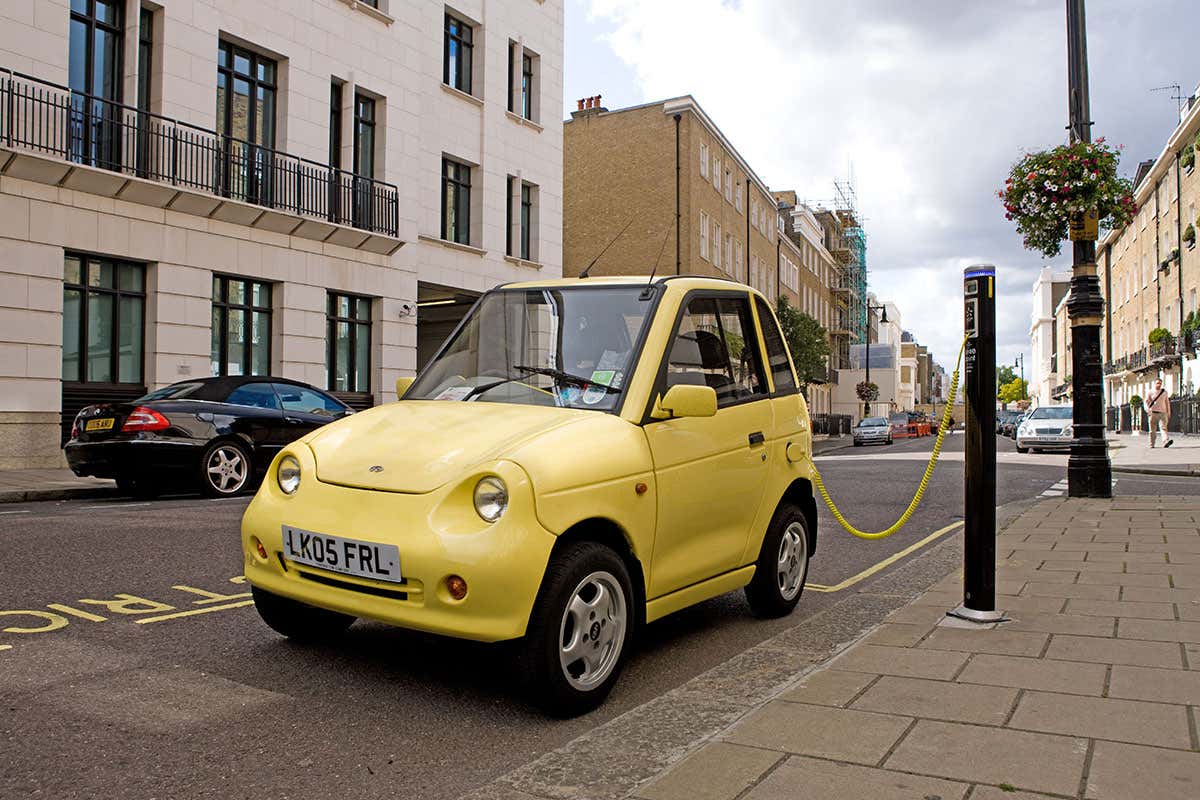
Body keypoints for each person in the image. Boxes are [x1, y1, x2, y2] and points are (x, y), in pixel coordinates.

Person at [1146, 378, 1174, 448]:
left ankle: (1166, 441)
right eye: (1157, 383)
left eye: (1160, 383)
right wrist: (1147, 410)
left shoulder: (1164, 392)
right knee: (1152, 430)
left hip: (1163, 413)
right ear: (1154, 383)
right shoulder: (1150, 392)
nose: (1159, 385)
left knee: (1164, 428)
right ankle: (1151, 444)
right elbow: (1146, 402)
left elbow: (1167, 402)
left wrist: (1169, 412)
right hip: (1153, 413)